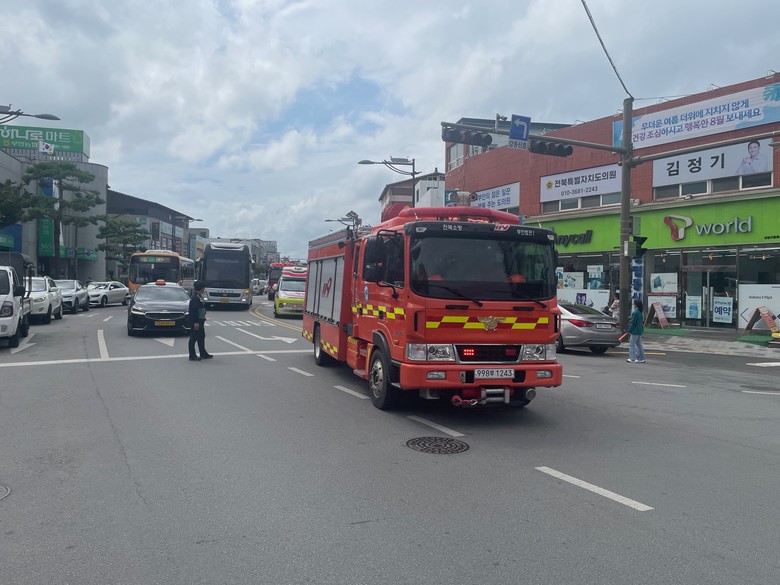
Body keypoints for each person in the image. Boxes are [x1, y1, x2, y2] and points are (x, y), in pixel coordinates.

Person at [188, 280, 212, 361]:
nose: (204, 289)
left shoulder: (199, 296)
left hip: (200, 320)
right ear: (201, 288)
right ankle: (192, 355)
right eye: (204, 288)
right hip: (196, 321)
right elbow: (195, 311)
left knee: (201, 337)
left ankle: (203, 353)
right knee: (193, 337)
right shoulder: (195, 298)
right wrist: (196, 322)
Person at [627, 298, 645, 364]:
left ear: (636, 305)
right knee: (639, 344)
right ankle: (641, 358)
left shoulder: (635, 313)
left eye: (634, 304)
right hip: (639, 330)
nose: (633, 305)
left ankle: (632, 358)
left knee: (632, 344)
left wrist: (629, 330)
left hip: (635, 331)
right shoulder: (640, 312)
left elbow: (633, 323)